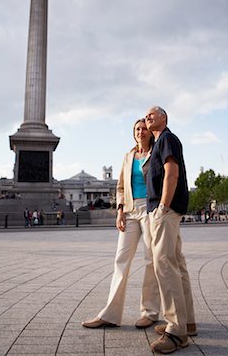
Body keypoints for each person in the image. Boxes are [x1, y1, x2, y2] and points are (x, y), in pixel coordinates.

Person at [82, 119, 161, 329]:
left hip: (150, 208)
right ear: (133, 133)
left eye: (144, 128)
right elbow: (120, 187)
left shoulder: (156, 153)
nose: (141, 131)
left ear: (150, 133)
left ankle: (150, 312)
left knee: (150, 259)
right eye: (137, 129)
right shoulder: (128, 157)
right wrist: (120, 211)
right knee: (121, 260)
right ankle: (110, 314)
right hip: (130, 210)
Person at [144, 106, 196, 354]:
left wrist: (162, 206)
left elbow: (171, 173)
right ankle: (187, 322)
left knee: (164, 264)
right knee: (176, 263)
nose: (147, 117)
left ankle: (176, 332)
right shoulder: (159, 142)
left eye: (152, 114)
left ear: (164, 118)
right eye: (146, 116)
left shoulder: (166, 138)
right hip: (168, 210)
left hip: (164, 210)